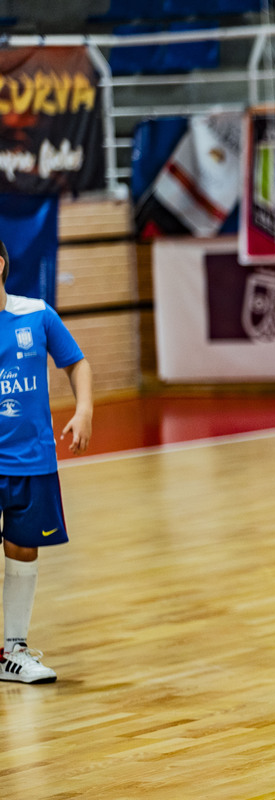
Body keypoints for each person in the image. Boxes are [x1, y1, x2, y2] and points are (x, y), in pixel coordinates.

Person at [0, 239, 93, 684]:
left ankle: (13, 651)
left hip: (32, 462)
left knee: (24, 547)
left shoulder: (36, 313)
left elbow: (77, 363)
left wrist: (84, 409)